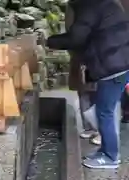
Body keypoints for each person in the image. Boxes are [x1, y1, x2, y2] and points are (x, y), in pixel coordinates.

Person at [46, 0, 129, 169]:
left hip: (113, 67)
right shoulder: (104, 3)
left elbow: (77, 38)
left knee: (105, 112)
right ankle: (105, 150)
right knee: (105, 109)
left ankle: (111, 156)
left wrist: (50, 42)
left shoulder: (89, 6)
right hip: (118, 62)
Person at [64, 2, 101, 145]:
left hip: (97, 55)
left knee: (97, 92)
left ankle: (100, 130)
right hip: (79, 54)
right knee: (83, 91)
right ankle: (89, 127)